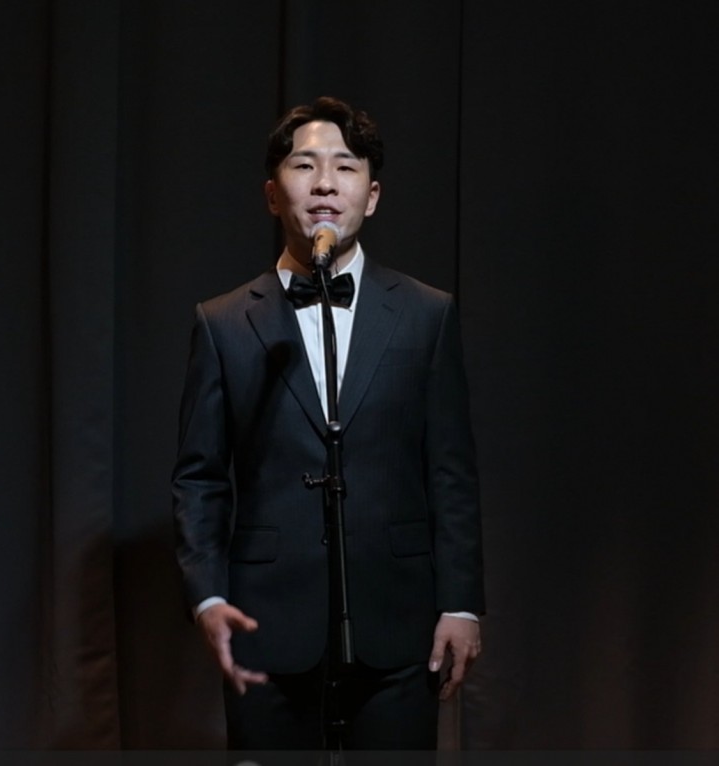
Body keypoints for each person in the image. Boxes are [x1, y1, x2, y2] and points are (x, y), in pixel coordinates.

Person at [172, 96, 485, 751]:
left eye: (345, 167)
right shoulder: (223, 323)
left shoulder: (426, 313)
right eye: (303, 165)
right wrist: (207, 597)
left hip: (397, 619)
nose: (323, 184)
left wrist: (461, 603)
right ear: (272, 194)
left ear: (371, 195)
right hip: (266, 621)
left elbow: (451, 470)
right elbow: (200, 478)